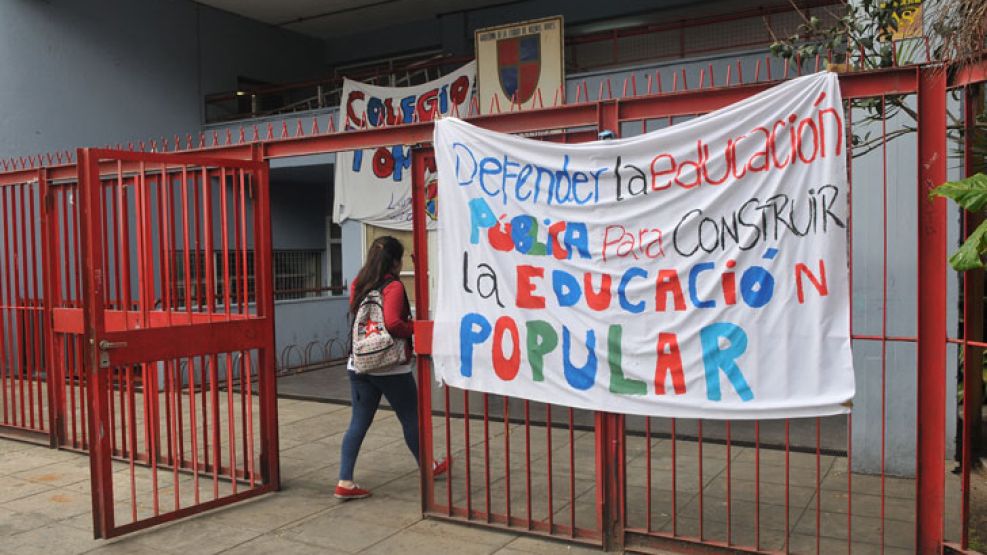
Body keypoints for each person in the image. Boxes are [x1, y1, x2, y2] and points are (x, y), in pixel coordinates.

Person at [335, 236, 448, 500]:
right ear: (395, 261)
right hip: (390, 367)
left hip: (360, 363)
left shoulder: (358, 283)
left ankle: (345, 481)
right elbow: (394, 323)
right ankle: (428, 467)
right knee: (411, 419)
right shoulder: (393, 287)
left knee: (358, 423)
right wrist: (419, 328)